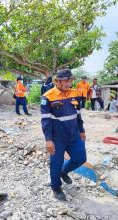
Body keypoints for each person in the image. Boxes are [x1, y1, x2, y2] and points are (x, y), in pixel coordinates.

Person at [41, 69, 86, 201]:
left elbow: (78, 114)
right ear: (57, 81)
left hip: (74, 135)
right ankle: (56, 188)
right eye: (66, 80)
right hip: (57, 137)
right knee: (56, 163)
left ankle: (64, 171)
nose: (69, 83)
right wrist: (48, 140)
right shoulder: (47, 96)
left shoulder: (74, 93)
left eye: (70, 80)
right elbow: (45, 120)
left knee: (80, 158)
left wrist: (81, 130)